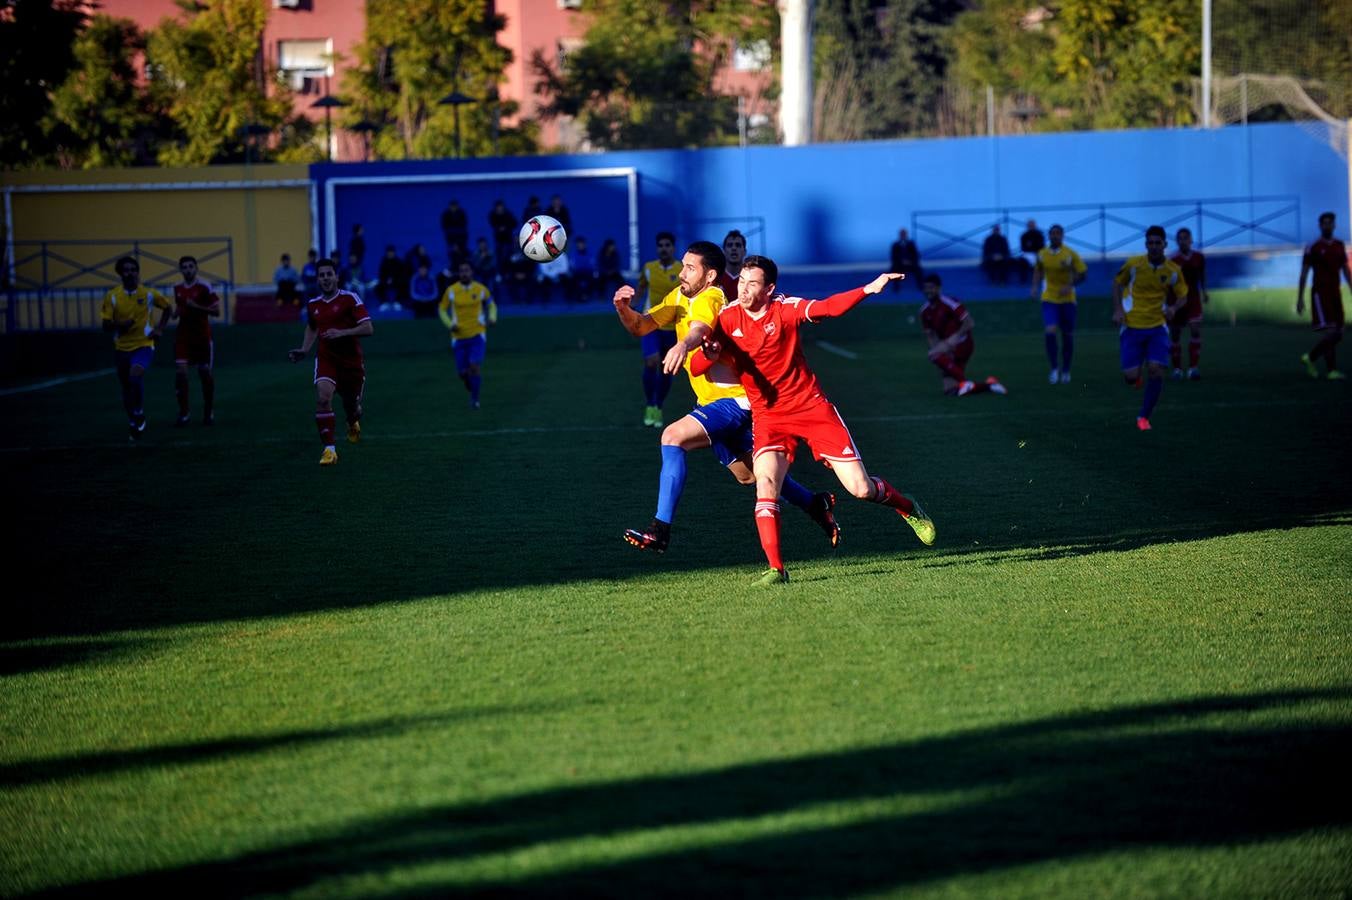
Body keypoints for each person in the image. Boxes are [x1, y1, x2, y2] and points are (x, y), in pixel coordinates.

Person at [692, 257, 935, 585]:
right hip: (768, 417)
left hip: (811, 410)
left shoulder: (784, 309)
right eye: (743, 281)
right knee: (765, 486)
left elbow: (828, 308)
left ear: (770, 288)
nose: (744, 288)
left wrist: (869, 288)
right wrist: (707, 352)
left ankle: (908, 508)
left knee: (861, 489)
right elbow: (696, 367)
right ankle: (777, 569)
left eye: (753, 283)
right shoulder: (728, 316)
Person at [612, 241, 839, 555]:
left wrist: (681, 345)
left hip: (736, 401)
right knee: (751, 476)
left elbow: (699, 329)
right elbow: (641, 326)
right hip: (711, 403)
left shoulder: (713, 296)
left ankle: (660, 530)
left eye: (691, 267)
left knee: (672, 437)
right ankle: (816, 503)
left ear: (710, 275)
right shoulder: (678, 296)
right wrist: (623, 309)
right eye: (683, 264)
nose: (682, 272)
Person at [288, 258, 373, 465]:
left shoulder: (350, 299)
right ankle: (329, 450)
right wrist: (305, 349)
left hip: (351, 363)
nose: (325, 278)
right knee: (323, 398)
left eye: (329, 274)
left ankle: (353, 420)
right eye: (321, 275)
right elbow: (312, 326)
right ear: (317, 279)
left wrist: (342, 333)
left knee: (352, 407)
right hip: (327, 359)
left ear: (336, 276)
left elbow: (368, 328)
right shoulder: (313, 304)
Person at [1112, 226, 1186, 432]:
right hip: (1132, 325)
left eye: (1157, 243)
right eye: (1150, 243)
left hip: (1157, 326)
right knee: (1130, 377)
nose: (1154, 246)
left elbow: (1183, 295)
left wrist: (1173, 307)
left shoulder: (1172, 271)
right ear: (1146, 245)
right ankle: (1137, 375)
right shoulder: (1134, 265)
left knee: (1156, 371)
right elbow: (1117, 283)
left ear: (1164, 245)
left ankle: (1143, 417)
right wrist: (1118, 310)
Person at [101, 256, 173, 441]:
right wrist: (120, 324)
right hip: (122, 347)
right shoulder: (113, 296)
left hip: (144, 344)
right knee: (126, 387)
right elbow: (105, 324)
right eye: (126, 270)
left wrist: (159, 329)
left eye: (134, 269)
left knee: (135, 376)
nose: (131, 273)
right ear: (120, 273)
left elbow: (168, 308)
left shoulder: (148, 294)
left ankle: (139, 412)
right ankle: (133, 420)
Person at [919, 274, 1006, 397]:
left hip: (963, 344)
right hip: (948, 346)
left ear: (938, 288)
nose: (928, 291)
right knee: (951, 391)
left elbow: (969, 322)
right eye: (926, 288)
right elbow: (930, 335)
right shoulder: (924, 311)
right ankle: (990, 385)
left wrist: (951, 341)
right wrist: (941, 351)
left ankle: (964, 382)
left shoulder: (949, 303)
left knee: (933, 354)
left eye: (931, 287)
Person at [634, 232, 682, 428]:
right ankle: (649, 404)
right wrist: (630, 305)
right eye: (660, 245)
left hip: (672, 327)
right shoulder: (648, 268)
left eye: (667, 245)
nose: (664, 248)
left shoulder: (681, 269)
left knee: (666, 369)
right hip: (651, 323)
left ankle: (658, 406)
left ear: (673, 247)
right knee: (651, 362)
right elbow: (641, 288)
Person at [1030, 224, 1088, 384]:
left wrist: (1070, 285)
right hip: (1049, 298)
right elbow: (1038, 270)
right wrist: (1034, 287)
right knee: (1050, 330)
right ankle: (1054, 369)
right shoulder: (1042, 254)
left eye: (1058, 233)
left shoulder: (1070, 254)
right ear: (1049, 236)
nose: (1055, 236)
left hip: (1068, 299)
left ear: (1062, 236)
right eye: (1052, 233)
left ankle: (1066, 370)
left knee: (1067, 334)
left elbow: (1083, 273)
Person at [1297, 211, 1352, 380]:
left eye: (1330, 223)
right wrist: (1300, 298)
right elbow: (1304, 272)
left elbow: (1345, 269)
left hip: (1335, 293)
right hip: (1320, 294)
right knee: (1331, 331)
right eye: (1324, 223)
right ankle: (1313, 358)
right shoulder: (1313, 246)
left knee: (1338, 332)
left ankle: (1330, 370)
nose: (1327, 226)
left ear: (1334, 225)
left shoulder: (1339, 245)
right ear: (1320, 226)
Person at [438, 260, 496, 410]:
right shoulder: (451, 291)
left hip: (477, 334)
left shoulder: (480, 289)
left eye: (467, 270)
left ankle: (475, 400)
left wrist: (492, 317)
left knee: (474, 366)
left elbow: (491, 304)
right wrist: (450, 324)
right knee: (463, 373)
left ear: (472, 272)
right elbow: (442, 309)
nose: (464, 273)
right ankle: (469, 381)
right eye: (462, 271)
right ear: (459, 273)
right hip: (458, 337)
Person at [171, 255, 221, 427]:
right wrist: (176, 312)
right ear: (180, 270)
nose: (188, 269)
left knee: (205, 374)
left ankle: (209, 411)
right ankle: (184, 413)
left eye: (191, 266)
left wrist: (196, 307)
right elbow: (180, 305)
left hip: (202, 337)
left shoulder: (204, 286)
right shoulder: (177, 288)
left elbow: (216, 312)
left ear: (196, 268)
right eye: (184, 267)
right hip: (183, 336)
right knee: (181, 374)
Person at [1169, 227, 1209, 380]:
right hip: (1177, 300)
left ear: (1191, 240)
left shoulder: (1199, 257)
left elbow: (1202, 275)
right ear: (1177, 241)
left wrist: (1204, 291)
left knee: (1195, 330)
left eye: (1185, 238)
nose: (1183, 241)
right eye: (1180, 238)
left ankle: (1193, 368)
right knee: (1175, 334)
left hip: (1193, 299)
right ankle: (1177, 369)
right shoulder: (1172, 260)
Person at [489, 200, 517, 275]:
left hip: (508, 240)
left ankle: (509, 273)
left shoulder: (508, 214)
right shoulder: (493, 215)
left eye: (501, 207)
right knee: (499, 258)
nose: (499, 209)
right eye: (498, 207)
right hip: (499, 240)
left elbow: (514, 224)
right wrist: (499, 227)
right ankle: (500, 274)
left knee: (509, 257)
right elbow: (492, 223)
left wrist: (506, 227)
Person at [718, 229, 748, 297]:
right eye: (730, 245)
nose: (734, 248)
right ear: (724, 251)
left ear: (745, 251)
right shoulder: (716, 278)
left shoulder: (751, 278)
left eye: (738, 245)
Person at [440, 199, 469, 267]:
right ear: (449, 207)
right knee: (452, 255)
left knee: (462, 254)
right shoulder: (446, 214)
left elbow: (464, 225)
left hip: (461, 239)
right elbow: (444, 226)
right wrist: (452, 244)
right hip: (450, 238)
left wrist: (459, 244)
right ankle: (453, 267)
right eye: (452, 206)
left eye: (455, 206)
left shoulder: (462, 213)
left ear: (457, 206)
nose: (453, 208)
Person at [569, 235, 595, 302]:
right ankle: (578, 297)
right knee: (572, 280)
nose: (580, 245)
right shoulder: (574, 254)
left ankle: (586, 296)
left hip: (587, 273)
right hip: (577, 273)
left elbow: (591, 265)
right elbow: (573, 265)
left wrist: (584, 268)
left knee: (592, 279)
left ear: (584, 244)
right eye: (578, 244)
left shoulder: (590, 253)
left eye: (581, 243)